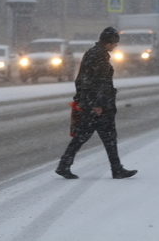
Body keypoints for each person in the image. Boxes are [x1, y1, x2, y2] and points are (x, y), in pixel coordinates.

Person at [55, 26, 137, 180]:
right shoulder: (99, 56)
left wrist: (80, 98)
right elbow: (97, 82)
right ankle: (115, 169)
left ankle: (65, 165)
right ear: (109, 42)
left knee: (88, 136)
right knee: (104, 137)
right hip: (99, 106)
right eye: (115, 42)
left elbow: (81, 79)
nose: (116, 45)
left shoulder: (92, 53)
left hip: (91, 103)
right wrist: (97, 104)